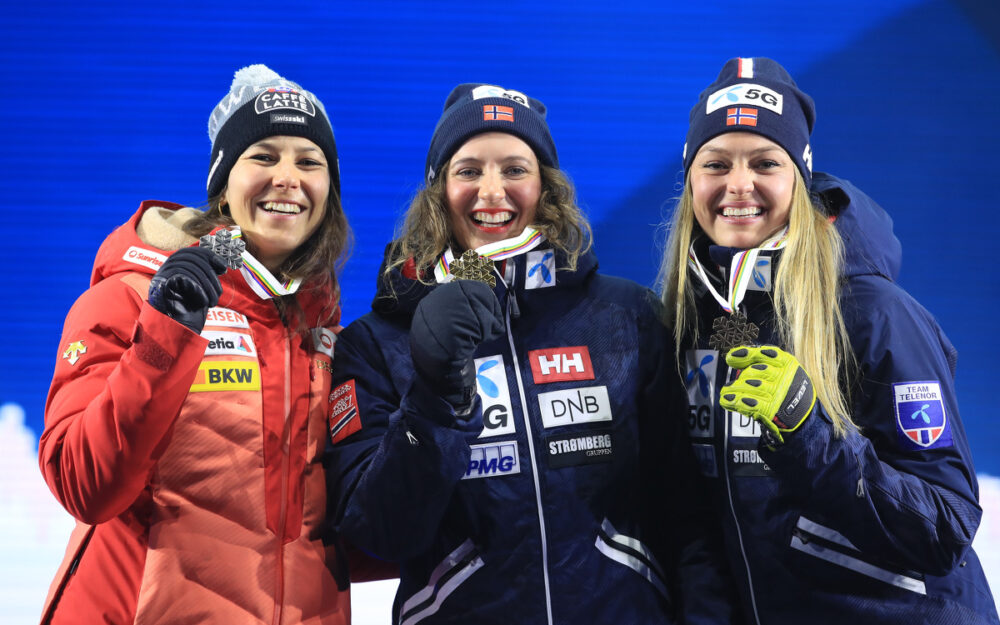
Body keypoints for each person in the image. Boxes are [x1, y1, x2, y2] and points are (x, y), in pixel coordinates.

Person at [324, 84, 737, 624]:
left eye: (515, 169)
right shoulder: (377, 342)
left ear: (547, 188)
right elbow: (381, 532)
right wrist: (433, 394)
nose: (491, 191)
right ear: (437, 192)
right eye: (468, 170)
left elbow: (688, 514)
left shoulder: (626, 317)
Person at [658, 56, 999, 624]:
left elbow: (945, 527)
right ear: (692, 178)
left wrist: (805, 432)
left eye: (765, 162)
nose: (738, 185)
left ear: (800, 174)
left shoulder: (873, 314)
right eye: (716, 163)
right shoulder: (691, 324)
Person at [38, 64, 374, 624]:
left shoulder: (327, 339)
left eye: (309, 161)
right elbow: (84, 485)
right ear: (223, 184)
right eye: (263, 156)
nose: (288, 178)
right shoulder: (128, 299)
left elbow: (364, 533)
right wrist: (166, 334)